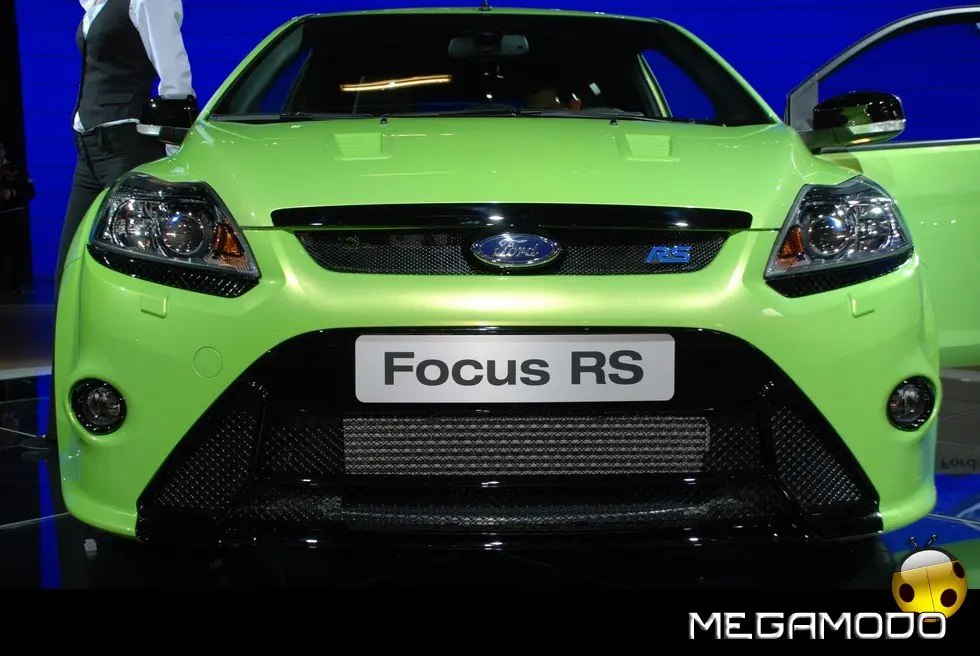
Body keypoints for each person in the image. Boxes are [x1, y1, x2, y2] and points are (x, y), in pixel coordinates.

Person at [21, 0, 194, 451]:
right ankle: (59, 429)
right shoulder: (94, 4)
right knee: (69, 282)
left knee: (138, 287)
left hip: (127, 147)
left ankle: (158, 420)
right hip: (89, 150)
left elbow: (174, 73)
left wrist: (172, 146)